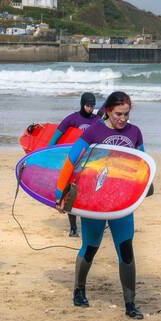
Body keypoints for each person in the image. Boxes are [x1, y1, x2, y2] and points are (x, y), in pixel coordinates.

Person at [57, 91, 147, 319]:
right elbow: (72, 159)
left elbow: (142, 164)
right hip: (95, 201)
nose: (123, 119)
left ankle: (130, 303)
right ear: (107, 110)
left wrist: (144, 188)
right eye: (118, 114)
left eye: (126, 114)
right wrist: (61, 192)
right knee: (91, 246)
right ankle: (79, 290)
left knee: (126, 250)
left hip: (121, 203)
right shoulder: (95, 130)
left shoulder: (134, 133)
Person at [50, 92, 101, 237]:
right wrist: (48, 150)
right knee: (71, 193)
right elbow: (58, 133)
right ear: (82, 104)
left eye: (92, 106)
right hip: (75, 162)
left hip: (92, 161)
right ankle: (73, 227)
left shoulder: (98, 120)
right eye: (88, 106)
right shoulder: (73, 118)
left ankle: (90, 224)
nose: (90, 109)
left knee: (89, 193)